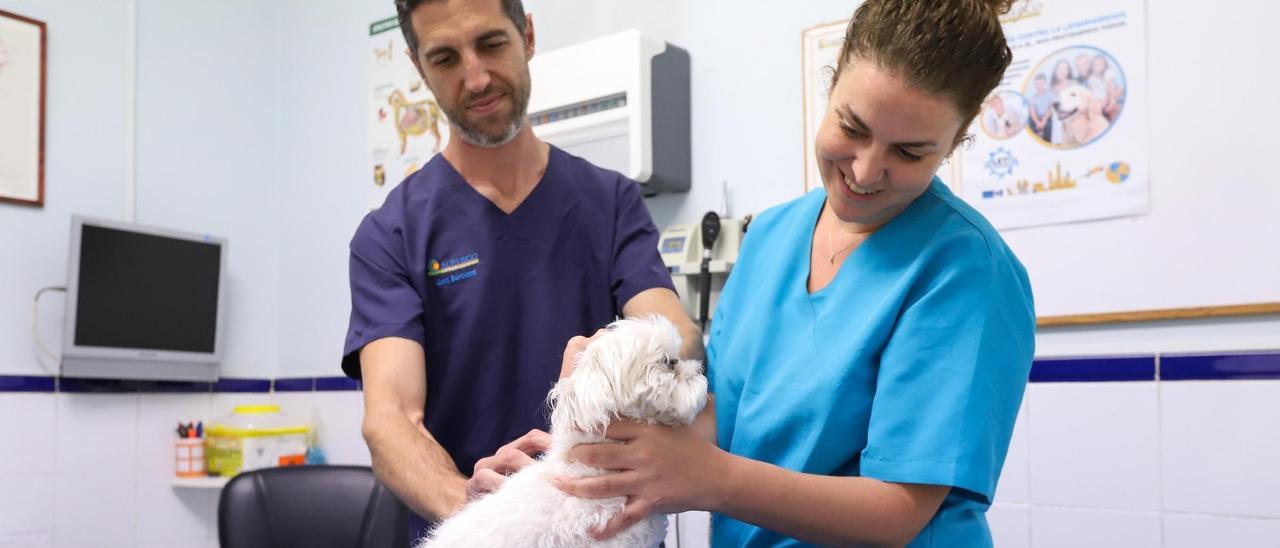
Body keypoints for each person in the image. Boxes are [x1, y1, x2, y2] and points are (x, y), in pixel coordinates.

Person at [552, 1, 1036, 546]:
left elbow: (897, 511)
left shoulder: (966, 270)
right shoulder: (771, 237)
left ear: (958, 138)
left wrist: (709, 479)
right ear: (831, 84)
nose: (865, 170)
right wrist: (593, 449)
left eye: (908, 152)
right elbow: (725, 416)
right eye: (852, 127)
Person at [340, 0, 702, 536]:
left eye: (491, 44)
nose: (477, 77)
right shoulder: (392, 233)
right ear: (419, 69)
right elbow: (391, 420)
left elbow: (678, 335)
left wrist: (609, 363)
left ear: (527, 36)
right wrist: (471, 503)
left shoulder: (610, 202)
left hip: (599, 529)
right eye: (445, 58)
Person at [1027, 73, 1055, 142]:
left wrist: (1044, 120)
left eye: (1041, 83)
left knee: (1049, 128)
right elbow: (1032, 112)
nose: (1039, 86)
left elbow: (1051, 108)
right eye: (1037, 84)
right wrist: (1037, 122)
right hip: (1037, 119)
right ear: (1035, 85)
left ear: (1045, 83)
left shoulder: (1050, 94)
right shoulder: (1033, 98)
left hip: (1048, 118)